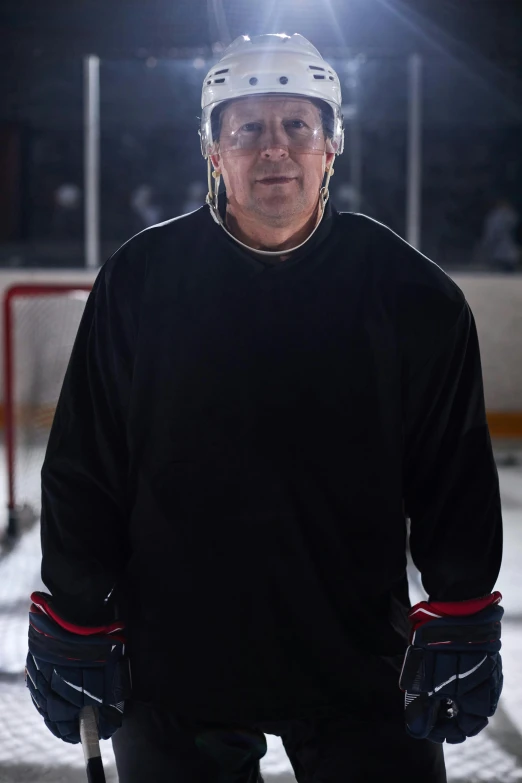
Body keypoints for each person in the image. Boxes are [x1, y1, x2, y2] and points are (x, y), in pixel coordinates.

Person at [26, 34, 503, 783]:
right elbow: (89, 462)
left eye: (296, 126)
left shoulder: (413, 296)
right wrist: (77, 611)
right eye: (246, 128)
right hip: (176, 660)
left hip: (357, 655)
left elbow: (454, 474)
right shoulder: (140, 282)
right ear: (213, 149)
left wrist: (463, 605)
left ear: (332, 145)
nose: (273, 148)